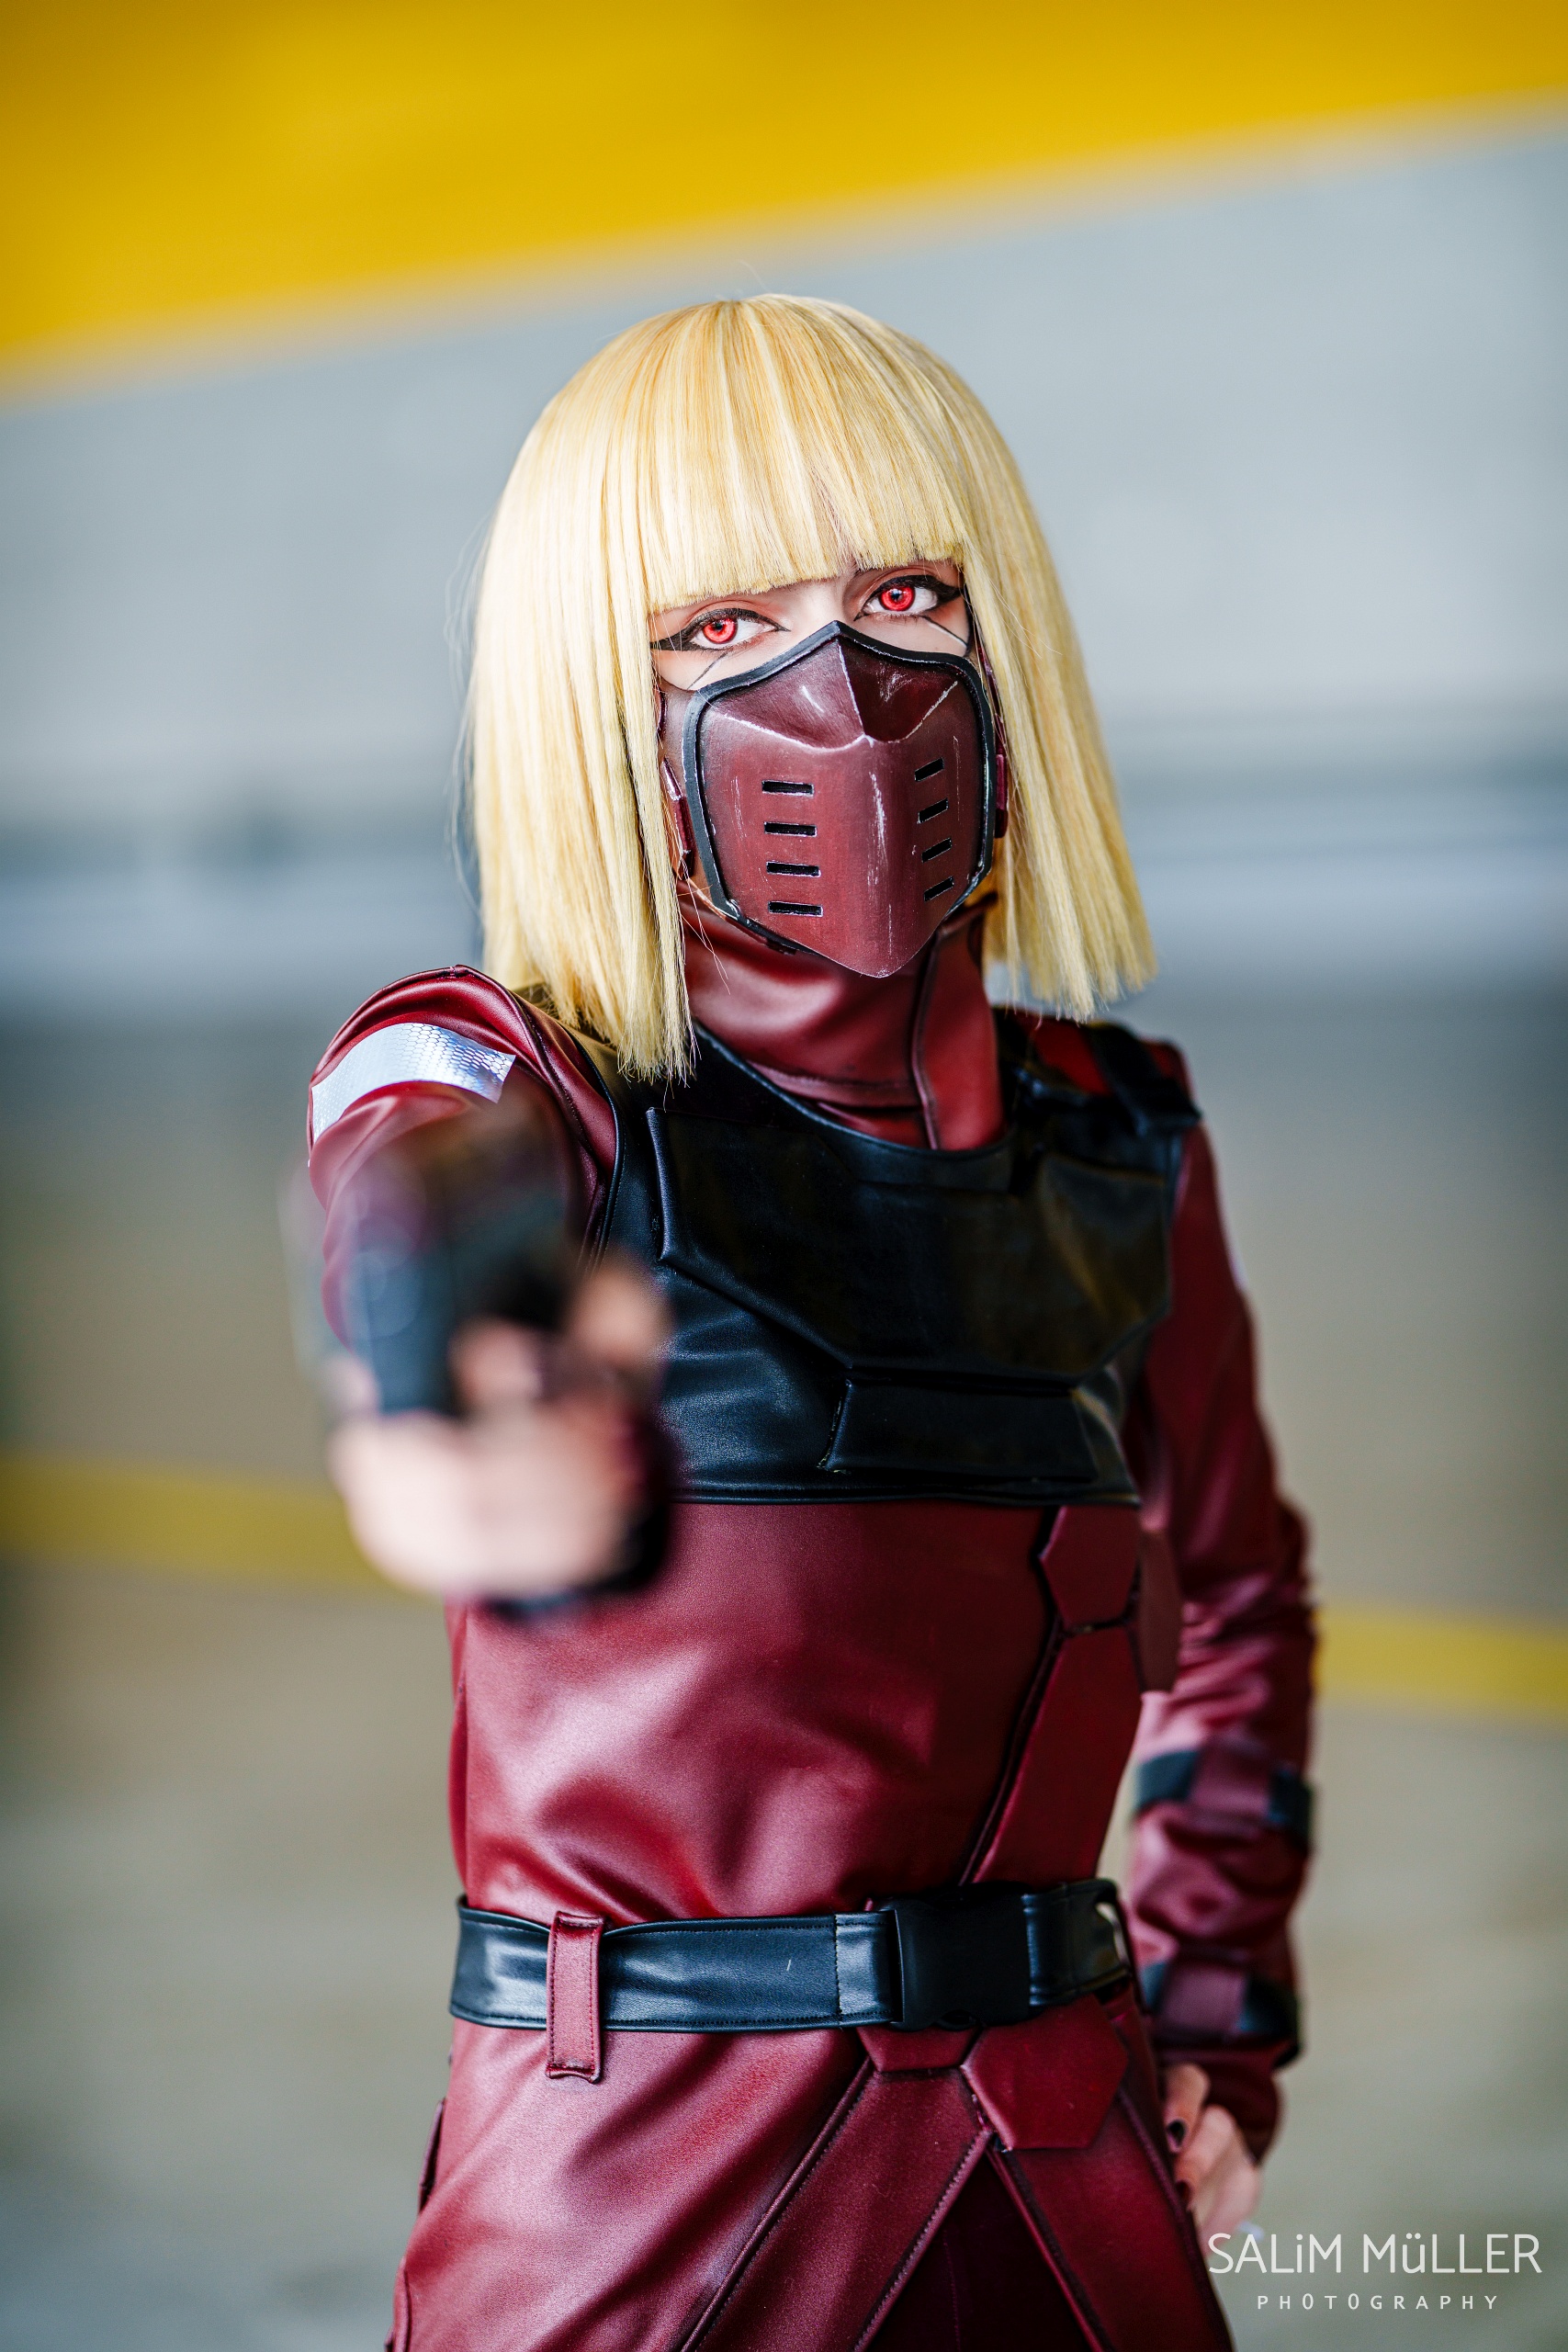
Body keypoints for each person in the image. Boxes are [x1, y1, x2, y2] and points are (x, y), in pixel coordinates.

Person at [309, 297, 1314, 2352]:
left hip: (1063, 2161)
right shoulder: (517, 1079)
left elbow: (1231, 1594)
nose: (839, 693)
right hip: (638, 2190)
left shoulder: (1118, 1136)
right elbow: (412, 1170)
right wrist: (438, 1389)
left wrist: (1217, 2007)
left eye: (904, 596)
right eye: (714, 627)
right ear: (592, 695)